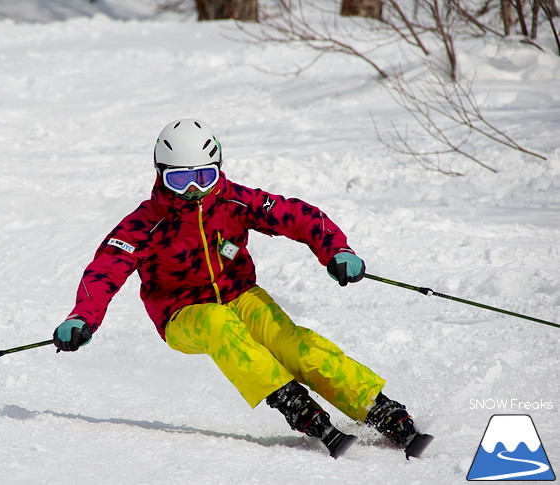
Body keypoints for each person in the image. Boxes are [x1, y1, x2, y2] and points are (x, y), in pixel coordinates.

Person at [53, 119, 432, 458]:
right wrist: (81, 318)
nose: (193, 191)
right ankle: (292, 403)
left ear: (218, 170)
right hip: (181, 313)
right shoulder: (145, 223)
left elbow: (297, 215)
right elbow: (105, 269)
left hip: (241, 294)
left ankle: (378, 407)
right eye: (179, 180)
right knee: (219, 323)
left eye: (203, 178)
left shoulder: (234, 200)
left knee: (291, 343)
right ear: (160, 175)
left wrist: (336, 250)